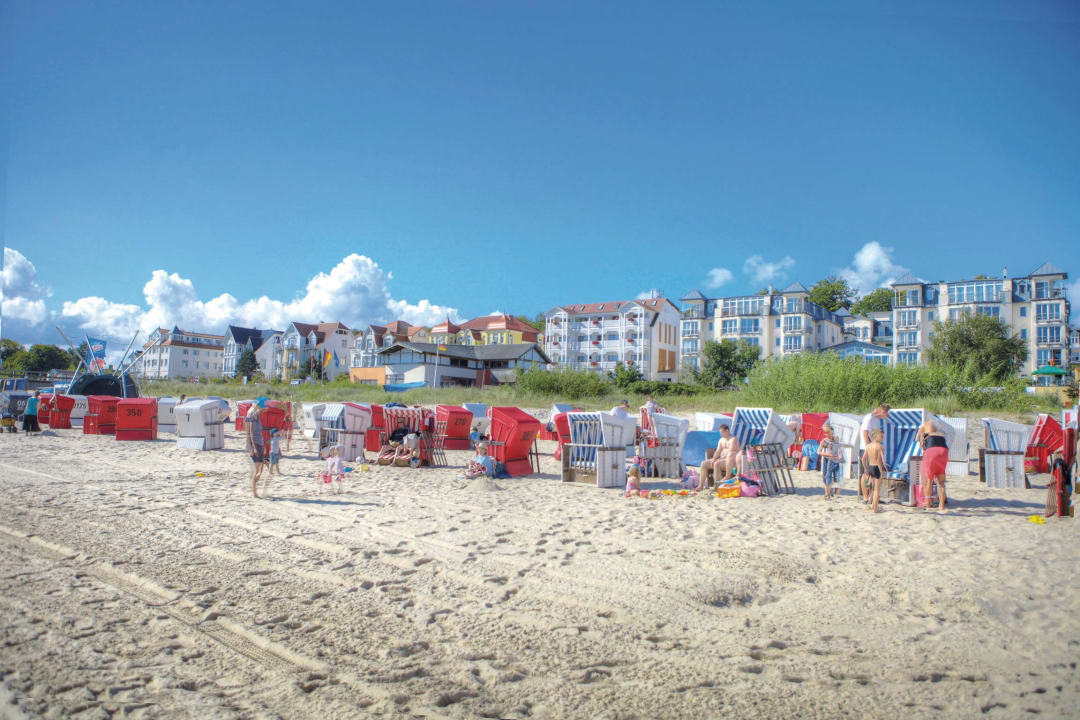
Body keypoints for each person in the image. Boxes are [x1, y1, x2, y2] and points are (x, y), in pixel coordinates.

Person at [916, 416, 949, 511]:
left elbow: (918, 439)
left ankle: (928, 503)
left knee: (929, 480)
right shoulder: (941, 426)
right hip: (944, 450)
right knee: (941, 482)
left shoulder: (925, 425)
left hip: (931, 449)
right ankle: (941, 505)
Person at [859, 404, 890, 501]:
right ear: (883, 412)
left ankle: (873, 497)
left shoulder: (876, 420)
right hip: (867, 448)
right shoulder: (869, 418)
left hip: (873, 448)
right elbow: (865, 433)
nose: (886, 417)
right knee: (866, 473)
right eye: (886, 414)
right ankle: (865, 497)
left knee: (874, 473)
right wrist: (869, 447)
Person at [698, 424, 740, 490]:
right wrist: (714, 459)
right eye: (720, 432)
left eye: (722, 432)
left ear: (727, 431)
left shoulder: (733, 440)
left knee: (717, 464)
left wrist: (718, 460)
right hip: (722, 460)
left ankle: (717, 485)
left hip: (731, 462)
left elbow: (730, 454)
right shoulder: (721, 440)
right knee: (704, 464)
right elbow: (718, 451)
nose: (721, 434)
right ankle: (700, 485)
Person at [864, 429, 889, 512]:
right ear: (875, 436)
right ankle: (875, 508)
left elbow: (863, 459)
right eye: (881, 436)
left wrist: (866, 469)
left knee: (872, 487)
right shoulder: (879, 446)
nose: (882, 438)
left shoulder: (868, 446)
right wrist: (885, 469)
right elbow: (881, 460)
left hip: (870, 466)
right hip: (876, 467)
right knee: (877, 489)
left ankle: (871, 504)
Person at [246, 399, 266, 498]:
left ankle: (255, 488)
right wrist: (253, 447)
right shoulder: (253, 416)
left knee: (261, 468)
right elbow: (250, 433)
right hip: (256, 444)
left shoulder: (257, 416)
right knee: (256, 469)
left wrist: (264, 446)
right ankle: (254, 492)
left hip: (260, 443)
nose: (264, 410)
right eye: (262, 408)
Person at [818, 424, 841, 500]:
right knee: (826, 477)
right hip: (827, 460)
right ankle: (827, 494)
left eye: (827, 432)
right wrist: (828, 454)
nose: (826, 434)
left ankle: (830, 492)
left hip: (835, 461)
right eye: (826, 433)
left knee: (836, 478)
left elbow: (838, 449)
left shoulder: (835, 440)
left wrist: (839, 455)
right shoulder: (824, 441)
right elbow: (819, 452)